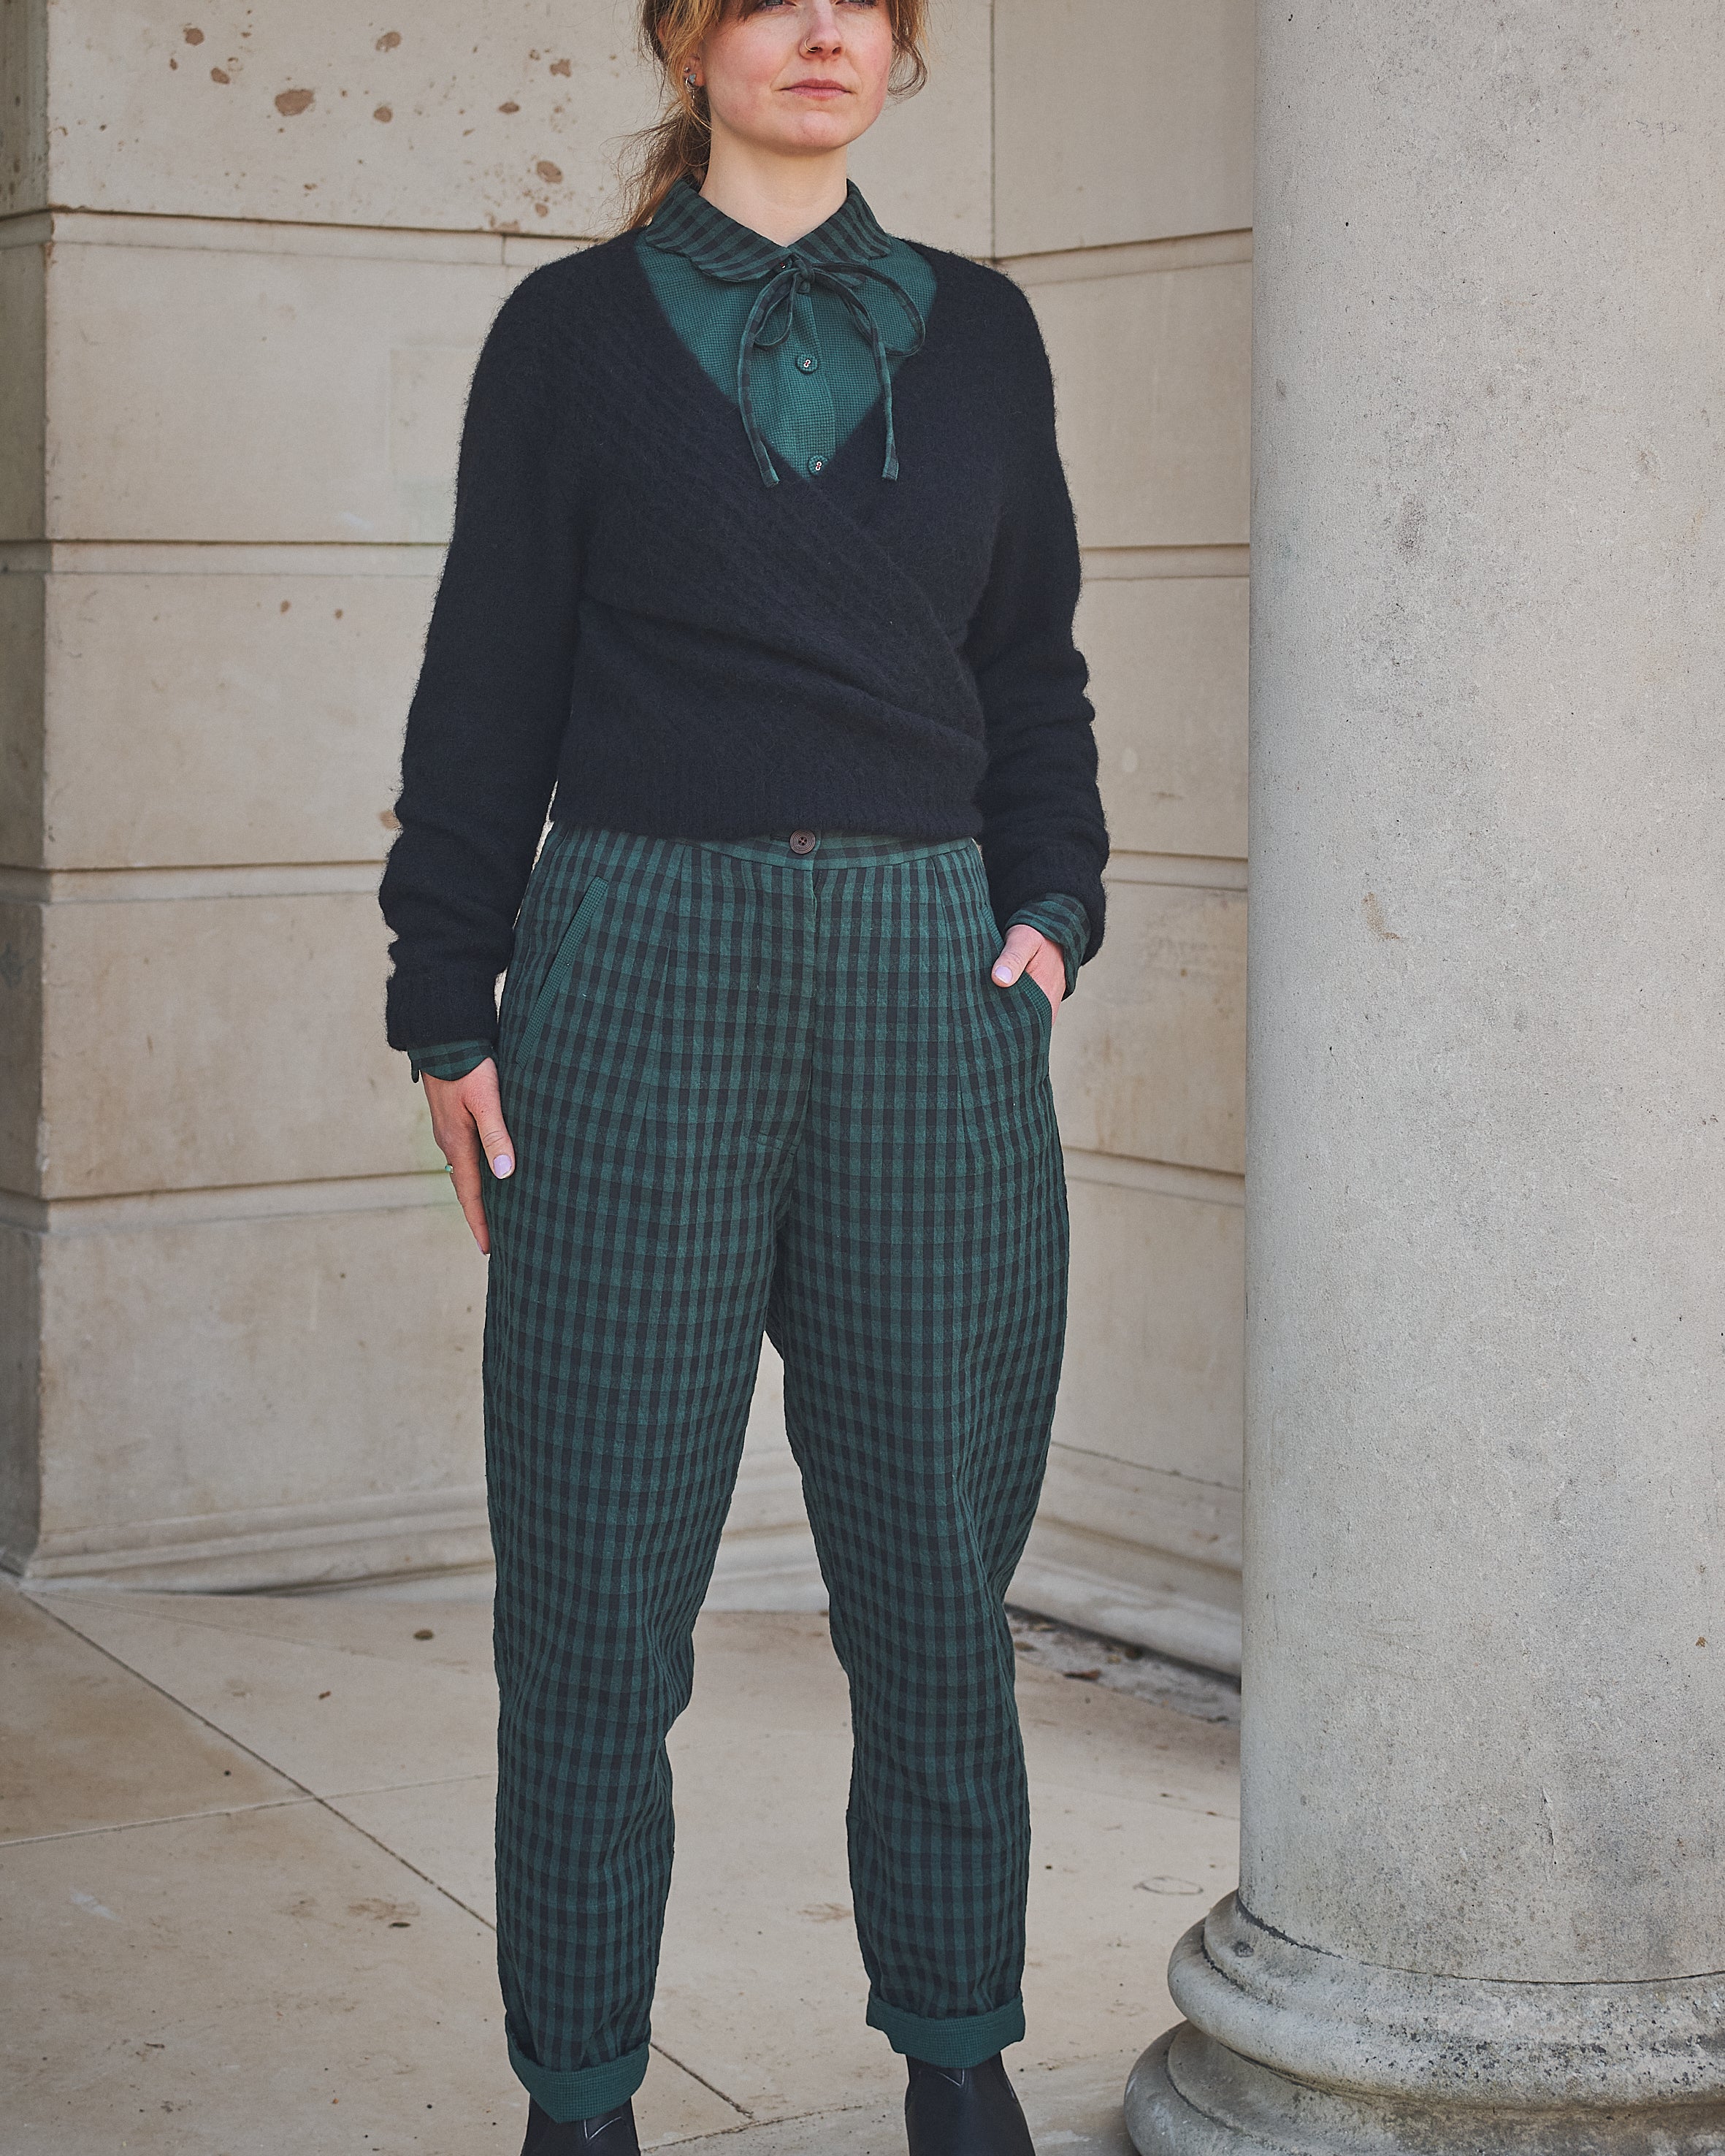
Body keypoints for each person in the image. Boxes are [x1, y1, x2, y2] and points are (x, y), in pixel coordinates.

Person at [379, 3, 1108, 2150]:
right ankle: (580, 2088)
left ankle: (956, 2048)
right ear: (684, 40)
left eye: (861, 3)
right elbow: (485, 660)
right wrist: (448, 998)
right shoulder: (570, 337)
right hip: (634, 956)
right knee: (596, 1590)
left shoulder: (980, 335)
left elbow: (1030, 659)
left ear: (897, 51)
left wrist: (1050, 908)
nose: (819, 31)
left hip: (925, 970)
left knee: (931, 1579)